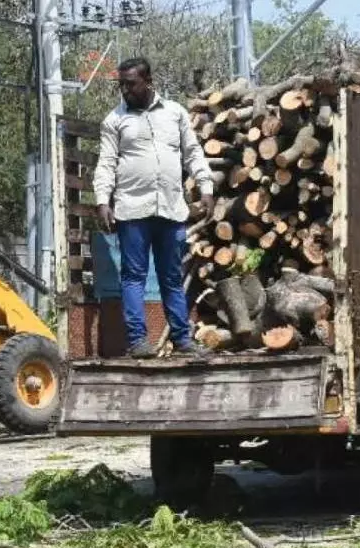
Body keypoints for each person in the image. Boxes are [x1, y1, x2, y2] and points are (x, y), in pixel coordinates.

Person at [93, 56, 214, 359]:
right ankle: (138, 341)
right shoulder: (114, 120)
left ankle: (183, 340)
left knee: (171, 276)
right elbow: (106, 164)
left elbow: (193, 153)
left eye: (130, 84)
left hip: (171, 210)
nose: (125, 90)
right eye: (121, 85)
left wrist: (206, 186)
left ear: (148, 82)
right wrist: (101, 201)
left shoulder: (174, 113)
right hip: (132, 211)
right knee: (133, 276)